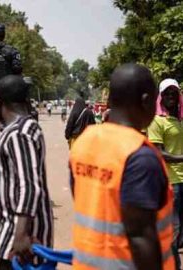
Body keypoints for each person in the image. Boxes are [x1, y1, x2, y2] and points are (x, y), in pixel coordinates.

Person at [70, 64, 174, 270]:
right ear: (146, 101)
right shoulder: (140, 156)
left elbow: (84, 197)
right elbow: (141, 238)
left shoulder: (84, 142)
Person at [0, 75, 53, 270]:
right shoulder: (23, 128)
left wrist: (20, 235)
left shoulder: (19, 134)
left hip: (22, 243)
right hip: (21, 237)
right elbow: (6, 136)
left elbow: (29, 186)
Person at [147, 78, 183, 269]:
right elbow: (158, 152)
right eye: (167, 93)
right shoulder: (157, 121)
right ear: (160, 97)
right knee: (173, 230)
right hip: (172, 182)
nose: (171, 97)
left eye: (174, 93)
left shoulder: (178, 119)